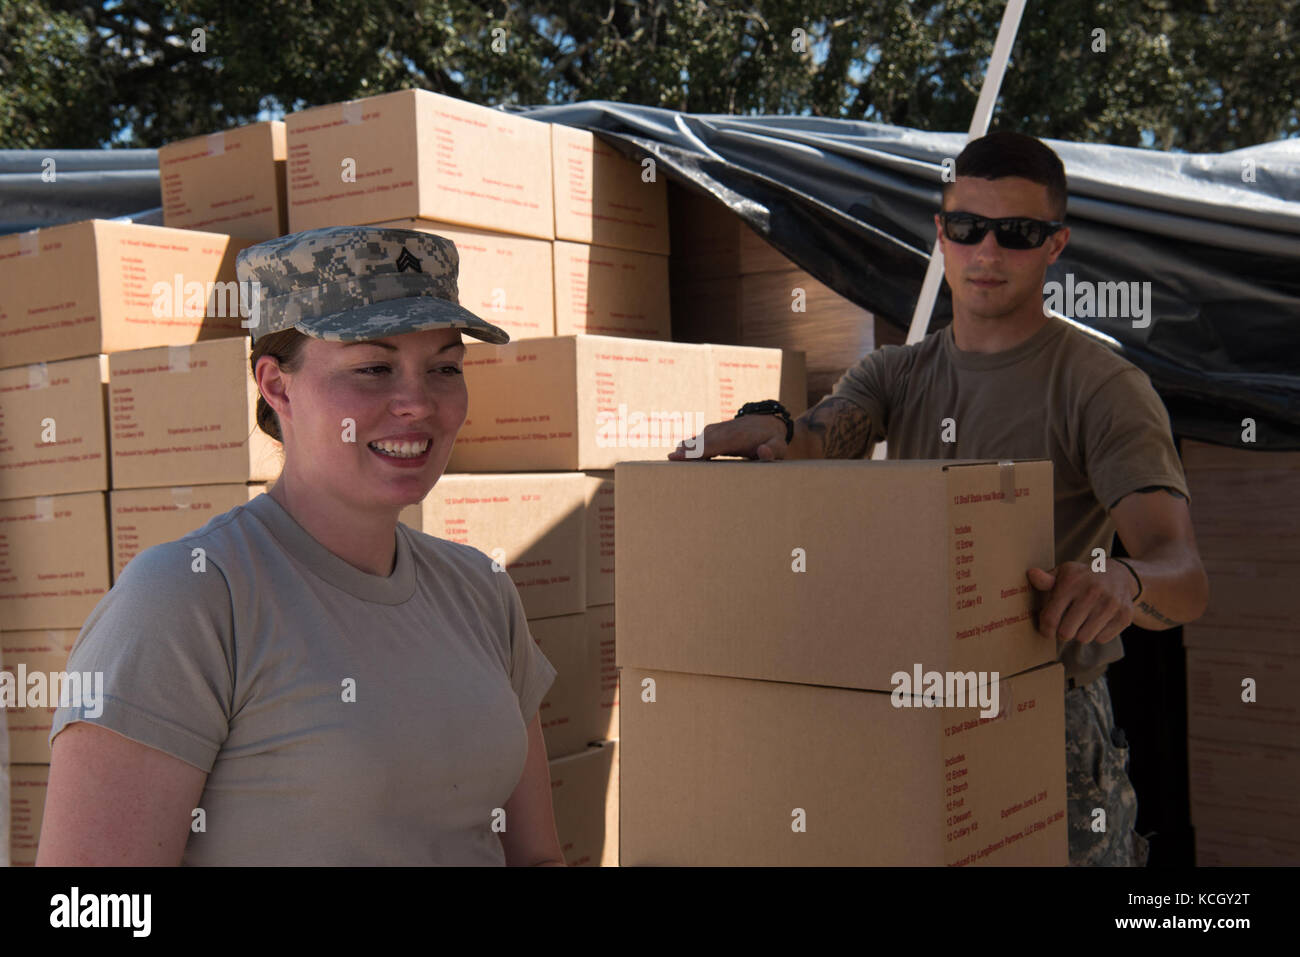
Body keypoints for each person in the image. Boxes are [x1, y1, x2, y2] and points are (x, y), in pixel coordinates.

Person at [669, 131, 1209, 866]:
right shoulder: (896, 373)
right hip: (915, 705)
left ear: (1055, 244)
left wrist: (1126, 582)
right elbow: (812, 441)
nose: (986, 251)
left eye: (1016, 233)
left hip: (1043, 714)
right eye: (967, 228)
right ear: (940, 234)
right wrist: (769, 428)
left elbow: (1184, 573)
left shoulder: (1099, 386)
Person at [38, 226, 564, 866]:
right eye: (373, 367)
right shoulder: (191, 598)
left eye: (445, 368)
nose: (418, 404)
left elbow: (536, 859)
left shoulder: (480, 590)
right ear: (276, 386)